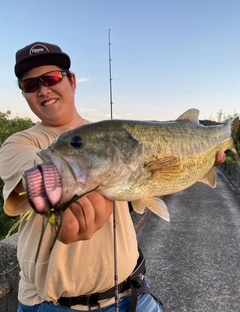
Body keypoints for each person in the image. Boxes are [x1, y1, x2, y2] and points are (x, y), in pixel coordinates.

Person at [0, 41, 226, 312]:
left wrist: (199, 165)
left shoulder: (112, 132)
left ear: (72, 80)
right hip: (51, 304)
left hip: (134, 294)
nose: (43, 89)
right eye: (29, 85)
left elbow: (160, 176)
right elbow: (36, 171)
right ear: (24, 93)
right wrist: (57, 191)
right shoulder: (18, 143)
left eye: (51, 78)